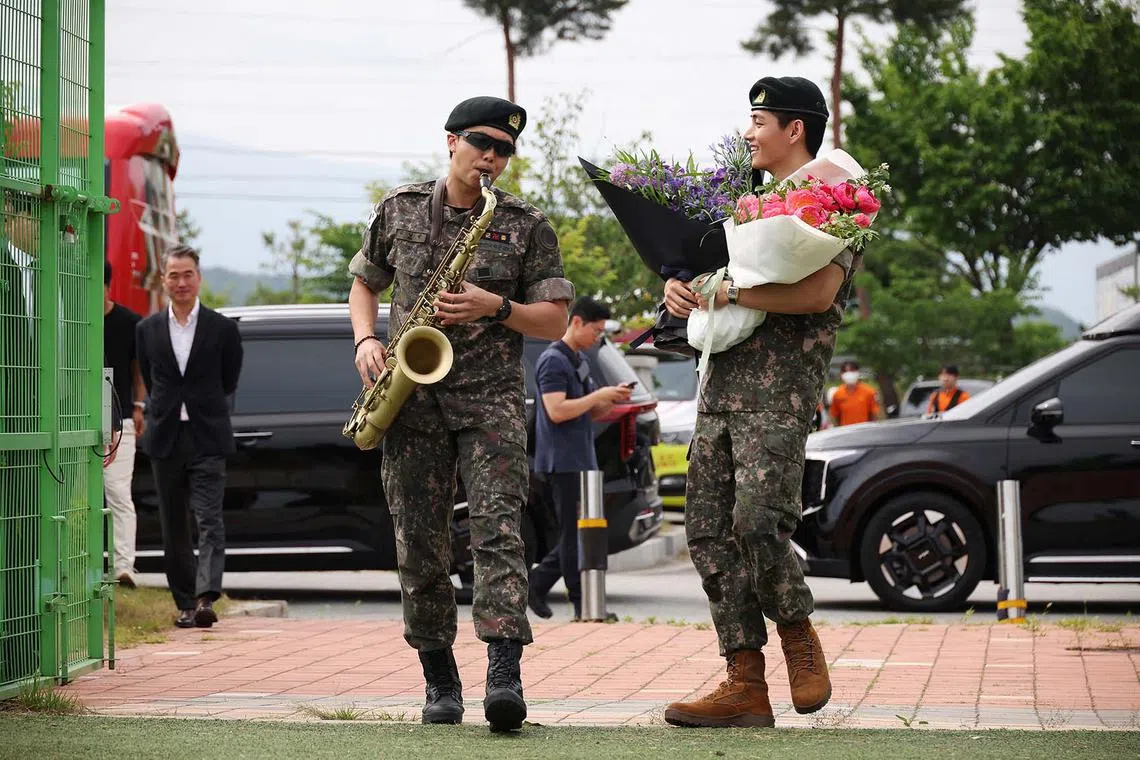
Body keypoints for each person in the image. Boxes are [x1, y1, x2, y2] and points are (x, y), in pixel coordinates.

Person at [347, 95, 574, 731]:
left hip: (490, 401)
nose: (492, 158)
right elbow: (365, 283)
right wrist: (367, 341)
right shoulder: (400, 207)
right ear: (451, 141)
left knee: (498, 534)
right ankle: (439, 680)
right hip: (410, 400)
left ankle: (504, 674)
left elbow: (556, 321)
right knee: (419, 542)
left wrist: (494, 307)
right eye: (482, 143)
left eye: (504, 150)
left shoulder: (527, 224)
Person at [661, 76, 848, 729]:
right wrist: (684, 291)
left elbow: (819, 293)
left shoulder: (834, 202)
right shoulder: (743, 207)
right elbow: (709, 279)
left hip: (779, 388)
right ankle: (745, 682)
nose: (748, 134)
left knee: (758, 522)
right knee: (706, 530)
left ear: (794, 128)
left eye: (758, 121)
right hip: (720, 380)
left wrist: (731, 295)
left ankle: (797, 633)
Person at [136, 245, 243, 630]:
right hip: (165, 436)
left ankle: (205, 597)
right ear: (163, 280)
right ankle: (184, 602)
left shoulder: (223, 329)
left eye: (188, 274)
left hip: (207, 435)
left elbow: (229, 379)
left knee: (209, 518)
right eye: (173, 275)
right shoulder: (146, 330)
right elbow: (151, 380)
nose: (181, 282)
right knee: (174, 524)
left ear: (199, 278)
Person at [527, 297, 630, 621]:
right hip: (563, 460)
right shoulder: (553, 360)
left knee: (581, 534)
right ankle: (556, 592)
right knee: (572, 536)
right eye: (596, 331)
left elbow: (590, 409)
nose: (597, 338)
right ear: (576, 322)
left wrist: (610, 399)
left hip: (581, 458)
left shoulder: (577, 360)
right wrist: (598, 396)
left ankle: (570, 598)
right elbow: (557, 411)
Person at [102, 259, 145, 589]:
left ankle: (123, 567)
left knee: (118, 492)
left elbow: (138, 370)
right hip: (74, 415)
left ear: (106, 286)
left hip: (121, 416)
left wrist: (139, 406)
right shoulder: (69, 319)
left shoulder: (131, 322)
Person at [828, 360, 881, 427]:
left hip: (865, 430)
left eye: (852, 370)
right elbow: (834, 416)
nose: (849, 374)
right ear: (841, 374)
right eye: (845, 371)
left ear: (857, 372)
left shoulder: (869, 391)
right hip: (846, 432)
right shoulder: (838, 394)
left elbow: (874, 414)